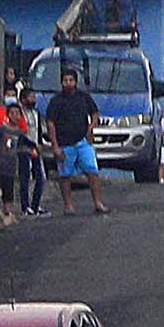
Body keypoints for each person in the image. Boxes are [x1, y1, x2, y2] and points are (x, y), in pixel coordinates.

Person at [45, 65, 108, 217]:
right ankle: (68, 205)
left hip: (83, 142)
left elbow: (95, 113)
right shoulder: (56, 101)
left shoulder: (83, 97)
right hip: (65, 144)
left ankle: (98, 203)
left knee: (92, 171)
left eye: (71, 80)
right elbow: (50, 123)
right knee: (65, 175)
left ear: (76, 81)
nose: (68, 83)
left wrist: (90, 128)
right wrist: (55, 146)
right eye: (65, 80)